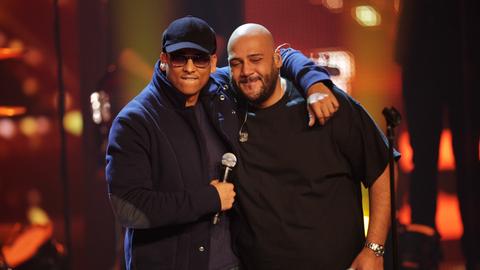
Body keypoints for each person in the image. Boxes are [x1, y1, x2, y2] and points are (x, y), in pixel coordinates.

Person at [106, 16, 336, 270]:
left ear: (213, 63)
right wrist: (208, 199)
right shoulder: (135, 122)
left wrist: (314, 82)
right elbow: (128, 208)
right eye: (180, 57)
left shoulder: (220, 89)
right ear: (164, 60)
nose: (190, 67)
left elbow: (282, 55)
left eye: (200, 58)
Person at [222, 23, 397, 270]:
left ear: (276, 60)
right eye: (236, 63)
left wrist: (375, 250)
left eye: (255, 59)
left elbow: (382, 169)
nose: (246, 70)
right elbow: (189, 76)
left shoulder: (327, 103)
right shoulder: (227, 106)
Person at [395, 1, 479, 269]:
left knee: (466, 157)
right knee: (426, 157)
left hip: (463, 51)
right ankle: (423, 245)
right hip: (422, 51)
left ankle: (470, 247)